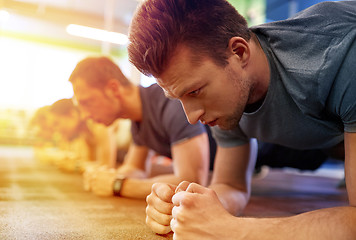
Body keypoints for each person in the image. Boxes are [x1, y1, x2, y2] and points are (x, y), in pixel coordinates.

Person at [127, 0, 356, 239]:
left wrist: (232, 230)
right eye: (178, 98)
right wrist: (188, 207)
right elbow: (231, 186)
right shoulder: (228, 95)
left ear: (239, 52)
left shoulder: (340, 55)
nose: (192, 117)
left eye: (194, 92)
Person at [68, 56, 211, 200]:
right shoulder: (138, 118)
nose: (85, 116)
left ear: (113, 89)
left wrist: (118, 185)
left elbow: (192, 183)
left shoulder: (170, 102)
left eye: (87, 102)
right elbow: (136, 168)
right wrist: (106, 177)